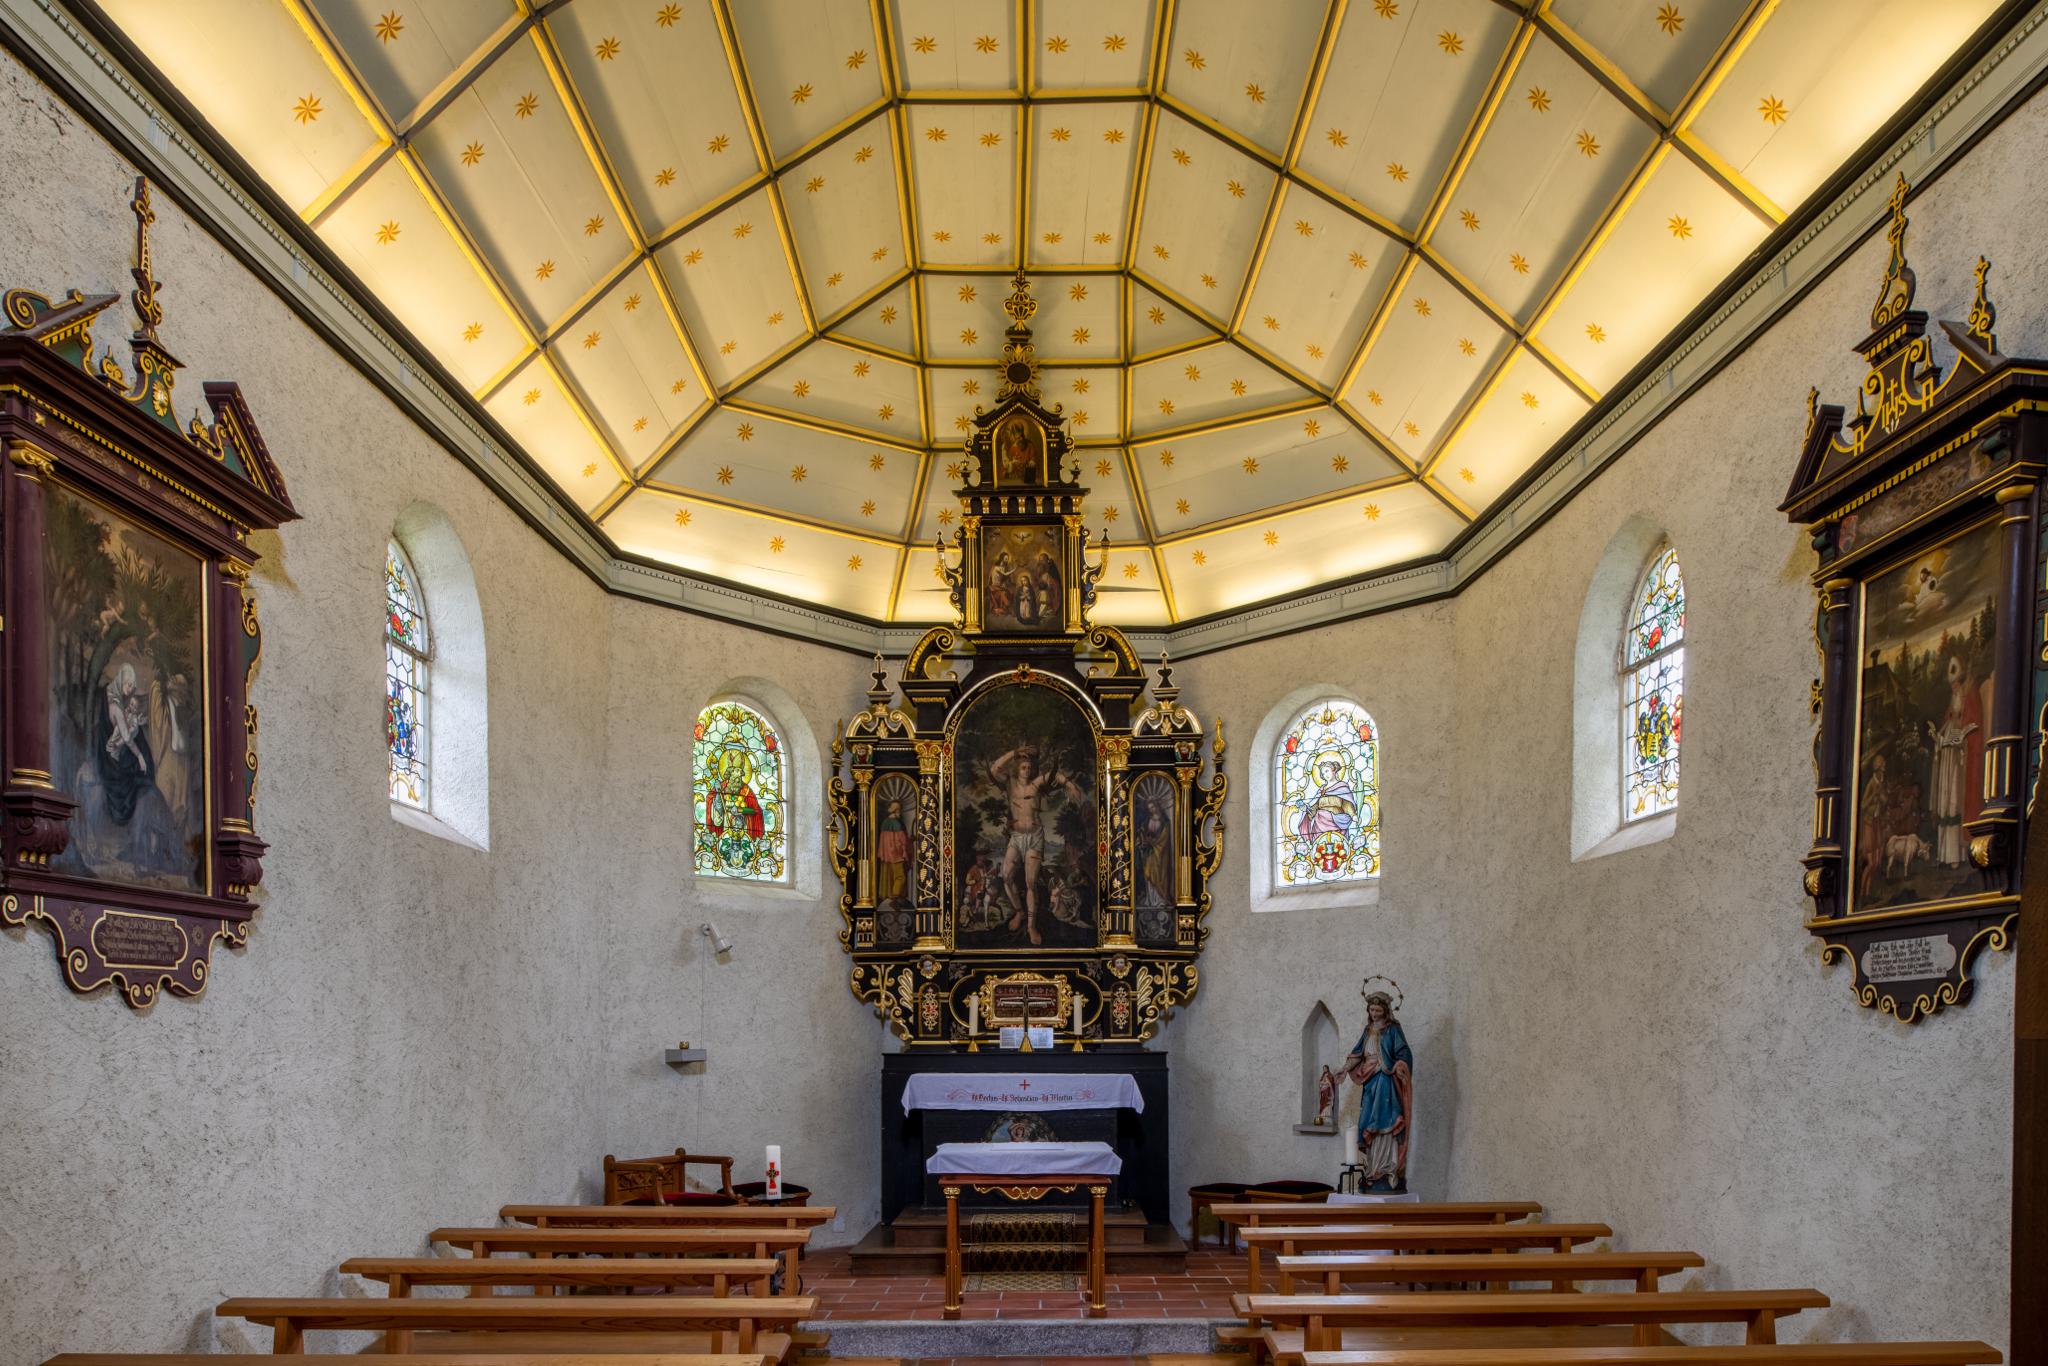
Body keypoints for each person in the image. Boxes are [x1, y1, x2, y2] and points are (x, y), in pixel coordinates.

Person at [990, 743, 1084, 945]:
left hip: (1034, 837)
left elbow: (1055, 776)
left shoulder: (1036, 784)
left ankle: (1031, 927)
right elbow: (995, 768)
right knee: (1006, 877)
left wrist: (1069, 785)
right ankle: (1019, 912)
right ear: (1017, 769)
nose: (1027, 770)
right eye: (1023, 767)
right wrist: (1014, 752)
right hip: (1016, 837)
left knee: (1030, 882)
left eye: (1029, 767)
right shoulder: (1010, 784)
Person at [1341, 991, 1413, 1192]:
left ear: (1386, 1011)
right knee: (1369, 1120)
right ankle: (1373, 1169)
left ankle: (1388, 1168)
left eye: (1378, 1010)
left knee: (1386, 1121)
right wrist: (1344, 1069)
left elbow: (1404, 1054)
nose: (1374, 1013)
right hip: (1370, 1081)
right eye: (1371, 1010)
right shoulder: (1368, 1030)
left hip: (1386, 1080)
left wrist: (1399, 1066)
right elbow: (1357, 1054)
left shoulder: (1393, 1030)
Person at [1927, 651, 1983, 866]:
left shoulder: (1969, 697)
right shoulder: (1951, 709)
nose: (1954, 688)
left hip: (1960, 761)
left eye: (1956, 684)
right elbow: (1946, 725)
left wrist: (1960, 737)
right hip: (1949, 760)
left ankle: (1956, 855)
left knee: (1955, 801)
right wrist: (1939, 738)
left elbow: (1972, 724)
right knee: (1946, 800)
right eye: (1952, 686)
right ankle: (1945, 854)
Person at [875, 794, 910, 903]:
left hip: (887, 854)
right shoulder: (896, 823)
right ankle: (895, 898)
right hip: (896, 855)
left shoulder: (885, 822)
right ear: (896, 810)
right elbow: (902, 841)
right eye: (898, 809)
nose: (900, 811)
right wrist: (907, 847)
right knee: (900, 877)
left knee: (890, 876)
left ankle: (891, 896)